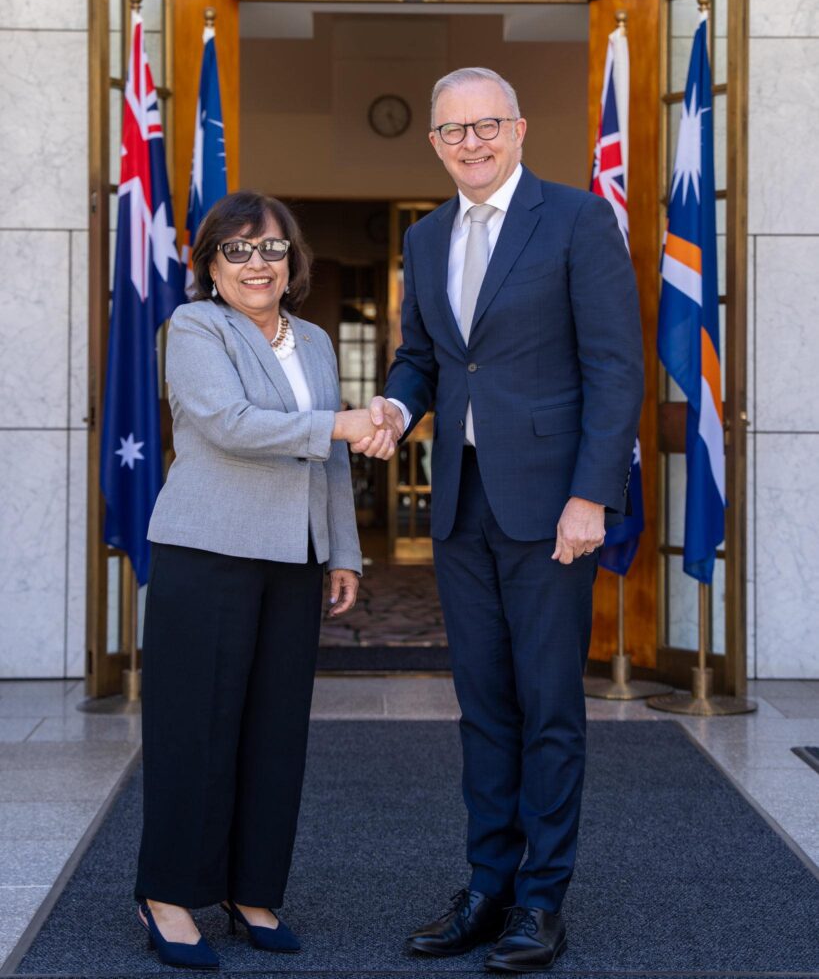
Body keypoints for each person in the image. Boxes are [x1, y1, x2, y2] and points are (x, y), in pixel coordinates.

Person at [355, 68, 644, 972]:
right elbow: (420, 359)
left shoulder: (576, 219)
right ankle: (486, 886)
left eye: (486, 126)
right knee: (482, 705)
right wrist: (397, 410)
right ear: (434, 144)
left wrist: (591, 494)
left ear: (518, 131)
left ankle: (540, 900)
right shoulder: (427, 235)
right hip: (461, 500)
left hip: (553, 503)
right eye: (452, 131)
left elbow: (614, 365)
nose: (470, 142)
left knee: (547, 704)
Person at [134, 191, 395, 970]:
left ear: (293, 261)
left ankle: (252, 890)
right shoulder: (193, 327)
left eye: (272, 249)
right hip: (207, 552)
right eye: (238, 251)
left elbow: (333, 463)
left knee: (274, 733)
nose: (257, 264)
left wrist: (343, 550)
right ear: (211, 265)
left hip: (295, 558)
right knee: (194, 728)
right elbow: (227, 423)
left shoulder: (313, 340)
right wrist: (342, 422)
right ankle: (170, 895)